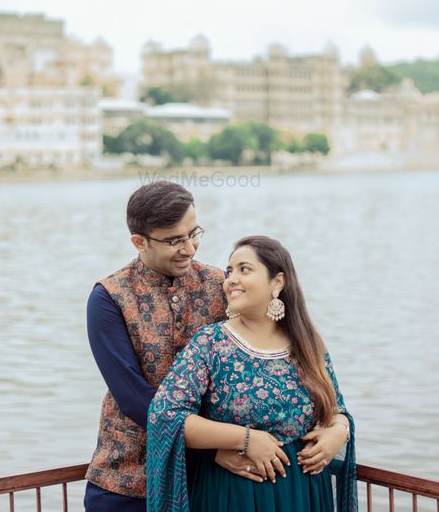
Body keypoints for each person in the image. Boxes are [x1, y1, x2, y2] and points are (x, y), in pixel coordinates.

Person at [146, 235, 357, 512]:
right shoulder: (211, 343)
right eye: (229, 271)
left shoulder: (308, 344)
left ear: (277, 282)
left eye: (244, 269)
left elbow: (336, 410)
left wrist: (339, 432)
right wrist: (245, 439)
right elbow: (165, 415)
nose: (231, 279)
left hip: (303, 494)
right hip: (232, 495)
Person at [86, 181, 258, 511]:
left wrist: (335, 423)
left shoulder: (220, 285)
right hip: (129, 482)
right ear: (139, 242)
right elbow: (136, 399)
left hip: (209, 481)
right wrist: (220, 447)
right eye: (174, 240)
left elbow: (266, 351)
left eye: (194, 233)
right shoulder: (108, 298)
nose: (190, 248)